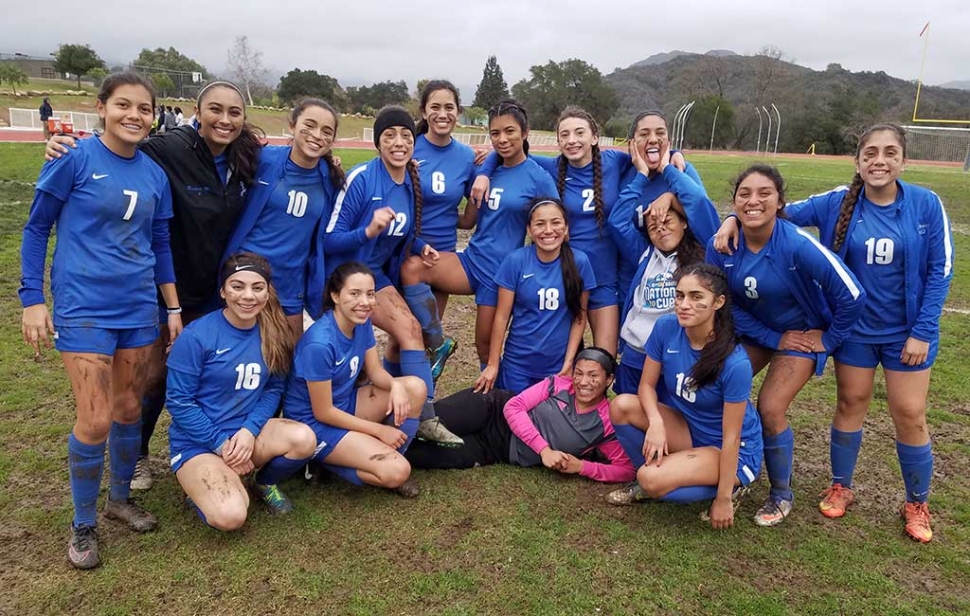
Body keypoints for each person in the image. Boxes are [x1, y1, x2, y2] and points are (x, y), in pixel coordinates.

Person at [717, 125, 953, 542]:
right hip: (853, 332)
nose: (879, 161)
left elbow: (940, 271)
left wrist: (924, 329)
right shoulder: (837, 201)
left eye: (890, 152)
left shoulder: (925, 204)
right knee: (850, 403)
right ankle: (842, 485)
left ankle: (917, 501)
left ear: (904, 159)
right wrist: (733, 218)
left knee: (910, 414)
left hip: (908, 334)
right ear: (858, 160)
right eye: (871, 153)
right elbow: (778, 209)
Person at [44, 80, 264, 491]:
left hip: (219, 290)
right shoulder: (169, 148)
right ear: (198, 112)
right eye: (215, 110)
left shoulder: (248, 157)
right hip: (167, 289)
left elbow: (290, 163)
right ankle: (139, 456)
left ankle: (225, 445)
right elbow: (118, 150)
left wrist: (330, 164)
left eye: (235, 113)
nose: (225, 119)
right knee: (155, 378)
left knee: (215, 370)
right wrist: (65, 146)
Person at [20, 72, 181, 569]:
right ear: (102, 107)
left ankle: (118, 500)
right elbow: (36, 227)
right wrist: (32, 298)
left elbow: (160, 245)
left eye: (144, 108)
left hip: (138, 307)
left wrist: (172, 308)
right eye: (124, 105)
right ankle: (83, 522)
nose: (134, 116)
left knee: (129, 407)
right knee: (94, 418)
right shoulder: (74, 158)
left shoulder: (154, 174)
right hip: (84, 306)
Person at [706, 164, 865, 527]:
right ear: (734, 202)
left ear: (780, 201)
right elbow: (722, 303)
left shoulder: (796, 244)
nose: (754, 200)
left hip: (800, 335)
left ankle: (781, 493)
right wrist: (771, 337)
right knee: (715, 385)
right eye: (744, 194)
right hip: (759, 331)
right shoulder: (724, 244)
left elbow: (853, 295)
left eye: (765, 193)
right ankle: (736, 471)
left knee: (770, 407)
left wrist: (828, 339)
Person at [324, 106, 460, 445]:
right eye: (389, 136)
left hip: (378, 278)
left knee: (411, 330)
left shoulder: (411, 182)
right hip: (347, 278)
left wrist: (420, 245)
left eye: (405, 136)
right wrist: (367, 231)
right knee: (352, 359)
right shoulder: (362, 179)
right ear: (377, 143)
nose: (398, 142)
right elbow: (330, 238)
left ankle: (419, 420)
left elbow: (401, 233)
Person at [398, 99, 559, 376]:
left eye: (509, 131)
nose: (502, 139)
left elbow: (553, 227)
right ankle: (438, 343)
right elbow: (469, 220)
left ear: (525, 132)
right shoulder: (486, 168)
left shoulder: (538, 177)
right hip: (471, 262)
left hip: (501, 274)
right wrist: (435, 214)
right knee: (412, 268)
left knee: (485, 347)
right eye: (495, 133)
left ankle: (496, 401)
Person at [606, 264, 763, 530]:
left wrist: (722, 500)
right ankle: (665, 473)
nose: (684, 304)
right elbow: (646, 386)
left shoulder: (734, 362)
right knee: (622, 405)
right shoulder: (667, 328)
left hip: (730, 449)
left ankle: (733, 487)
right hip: (690, 429)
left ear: (718, 302)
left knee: (650, 479)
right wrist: (655, 423)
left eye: (696, 297)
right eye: (679, 296)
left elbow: (732, 437)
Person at [167, 253, 316, 529]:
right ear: (223, 291)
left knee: (304, 438)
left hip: (246, 435)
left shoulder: (272, 331)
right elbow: (179, 403)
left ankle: (261, 481)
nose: (248, 296)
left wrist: (248, 431)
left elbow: (274, 388)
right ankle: (203, 489)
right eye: (238, 287)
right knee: (231, 516)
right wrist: (222, 445)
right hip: (200, 444)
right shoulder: (196, 336)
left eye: (257, 288)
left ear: (266, 292)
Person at [283, 262, 427, 497]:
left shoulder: (361, 321)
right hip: (313, 424)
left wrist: (395, 385)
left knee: (415, 388)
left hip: (346, 405)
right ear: (335, 296)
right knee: (397, 472)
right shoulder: (319, 343)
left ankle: (381, 455)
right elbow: (323, 412)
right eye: (355, 293)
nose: (365, 302)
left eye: (370, 294)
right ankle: (324, 461)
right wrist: (379, 431)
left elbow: (375, 372)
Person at [406, 348, 635, 483]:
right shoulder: (558, 384)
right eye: (579, 373)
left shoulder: (608, 421)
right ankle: (378, 422)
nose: (583, 382)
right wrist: (544, 451)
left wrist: (581, 467)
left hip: (494, 451)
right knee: (421, 423)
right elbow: (513, 407)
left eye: (593, 376)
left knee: (415, 454)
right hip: (489, 409)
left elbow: (626, 470)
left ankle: (378, 453)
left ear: (609, 380)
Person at [223, 97, 344, 342]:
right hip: (248, 275)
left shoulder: (331, 178)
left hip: (291, 284)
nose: (317, 135)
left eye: (326, 131)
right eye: (309, 125)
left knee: (289, 364)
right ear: (292, 126)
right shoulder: (263, 159)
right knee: (242, 355)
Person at [609, 139, 719, 397]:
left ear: (684, 224)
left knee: (669, 420)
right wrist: (641, 175)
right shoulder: (644, 254)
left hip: (677, 357)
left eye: (668, 221)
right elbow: (617, 222)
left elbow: (701, 205)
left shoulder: (704, 255)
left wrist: (670, 188)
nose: (660, 228)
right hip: (636, 354)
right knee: (629, 416)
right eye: (653, 226)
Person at [398, 80, 479, 380]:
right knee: (402, 336)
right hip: (405, 251)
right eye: (435, 107)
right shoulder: (408, 147)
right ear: (423, 111)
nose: (442, 113)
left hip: (441, 257)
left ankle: (417, 407)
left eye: (449, 107)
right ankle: (399, 402)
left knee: (423, 341)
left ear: (458, 112)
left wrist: (483, 174)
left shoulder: (467, 156)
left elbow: (468, 220)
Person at [476, 197, 595, 394]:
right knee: (514, 418)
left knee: (548, 423)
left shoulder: (579, 262)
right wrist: (493, 364)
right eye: (540, 224)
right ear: (529, 230)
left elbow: (579, 317)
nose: (548, 230)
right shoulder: (515, 261)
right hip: (518, 365)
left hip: (557, 367)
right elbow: (502, 317)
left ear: (566, 229)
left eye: (556, 223)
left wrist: (568, 363)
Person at [617, 110, 708, 308]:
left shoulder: (681, 170)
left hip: (677, 271)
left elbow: (702, 210)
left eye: (660, 134)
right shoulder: (622, 171)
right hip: (634, 269)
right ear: (632, 142)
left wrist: (671, 196)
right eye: (644, 134)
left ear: (669, 141)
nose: (653, 139)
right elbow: (617, 221)